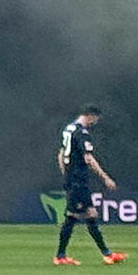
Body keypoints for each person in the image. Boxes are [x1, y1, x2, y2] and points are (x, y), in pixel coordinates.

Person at [54, 106, 124, 266]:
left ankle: (106, 254)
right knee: (76, 216)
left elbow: (61, 154)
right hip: (78, 181)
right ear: (91, 116)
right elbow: (89, 159)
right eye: (95, 119)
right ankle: (61, 256)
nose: (95, 123)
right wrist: (105, 178)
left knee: (84, 215)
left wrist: (66, 174)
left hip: (73, 179)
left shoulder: (68, 129)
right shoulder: (81, 133)